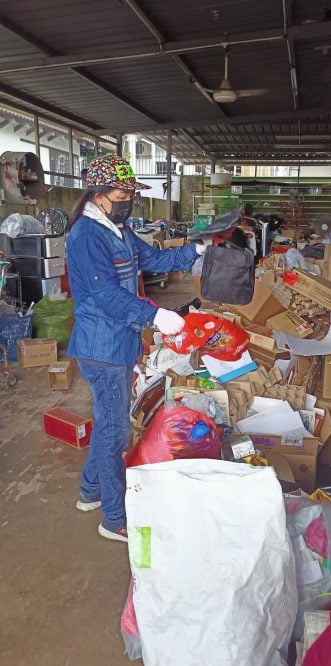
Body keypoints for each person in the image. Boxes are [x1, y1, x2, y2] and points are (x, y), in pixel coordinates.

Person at [66, 154, 210, 542]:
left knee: (108, 425)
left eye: (132, 192)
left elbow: (155, 258)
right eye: (123, 192)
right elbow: (104, 295)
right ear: (98, 194)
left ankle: (89, 492)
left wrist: (194, 249)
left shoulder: (119, 229)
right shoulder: (85, 236)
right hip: (102, 346)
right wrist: (155, 317)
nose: (130, 198)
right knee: (113, 433)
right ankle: (114, 518)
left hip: (120, 341)